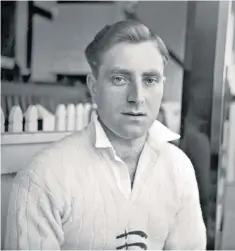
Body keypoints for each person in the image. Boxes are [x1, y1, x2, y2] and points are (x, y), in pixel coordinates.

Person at [4, 20, 206, 250]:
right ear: (93, 87)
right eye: (120, 79)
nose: (137, 97)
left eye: (150, 80)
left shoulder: (178, 168)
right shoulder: (44, 179)